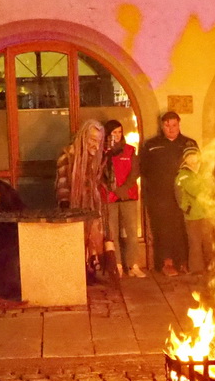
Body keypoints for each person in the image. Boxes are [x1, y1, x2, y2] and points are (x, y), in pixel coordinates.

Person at [141, 113, 198, 274]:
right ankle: (167, 263)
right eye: (167, 125)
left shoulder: (189, 144)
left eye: (174, 125)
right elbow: (144, 169)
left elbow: (197, 167)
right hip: (160, 196)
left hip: (184, 194)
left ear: (179, 124)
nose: (171, 129)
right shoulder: (151, 145)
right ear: (162, 126)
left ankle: (183, 262)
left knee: (183, 228)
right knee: (163, 229)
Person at [55, 118, 109, 279]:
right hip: (74, 204)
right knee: (76, 240)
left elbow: (101, 182)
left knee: (94, 237)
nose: (96, 144)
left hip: (92, 205)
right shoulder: (68, 156)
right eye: (92, 139)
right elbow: (62, 182)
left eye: (99, 140)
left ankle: (93, 269)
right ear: (84, 136)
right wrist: (65, 204)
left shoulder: (97, 159)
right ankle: (78, 272)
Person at [100, 119, 144, 277]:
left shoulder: (130, 150)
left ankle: (133, 264)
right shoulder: (102, 153)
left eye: (119, 132)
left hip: (128, 196)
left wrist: (123, 189)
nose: (117, 135)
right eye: (114, 133)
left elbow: (135, 172)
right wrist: (113, 190)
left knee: (131, 232)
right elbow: (100, 175)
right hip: (110, 197)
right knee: (112, 232)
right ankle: (117, 264)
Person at [175, 147, 215, 276]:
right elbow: (188, 192)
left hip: (206, 213)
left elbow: (213, 186)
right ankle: (196, 268)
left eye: (194, 156)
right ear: (185, 159)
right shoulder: (183, 175)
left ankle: (211, 265)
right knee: (195, 242)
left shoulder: (205, 171)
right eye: (189, 156)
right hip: (192, 214)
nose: (192, 159)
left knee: (208, 241)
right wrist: (186, 207)